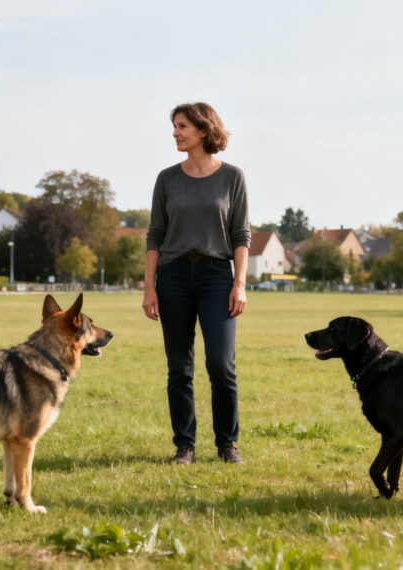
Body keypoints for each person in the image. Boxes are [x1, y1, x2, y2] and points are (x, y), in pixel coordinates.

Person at [142, 102, 251, 465]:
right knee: (179, 368)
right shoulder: (167, 179)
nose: (175, 132)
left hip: (217, 277)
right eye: (174, 126)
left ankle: (227, 444)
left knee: (221, 365)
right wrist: (149, 287)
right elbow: (155, 235)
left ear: (204, 130)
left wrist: (239, 283)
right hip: (173, 277)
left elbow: (241, 235)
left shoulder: (232, 177)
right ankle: (185, 445)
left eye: (182, 126)